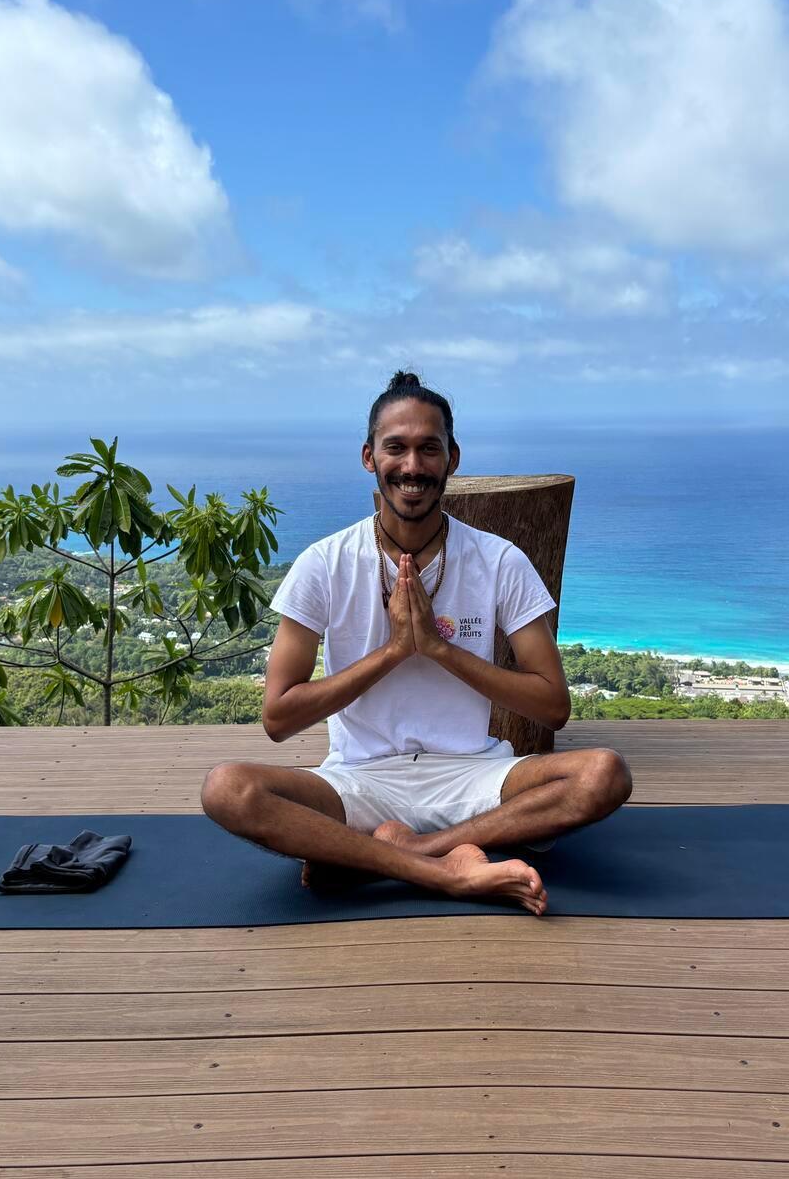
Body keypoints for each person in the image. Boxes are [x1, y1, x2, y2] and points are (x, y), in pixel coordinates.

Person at [200, 371, 632, 914]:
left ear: (452, 457)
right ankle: (449, 871)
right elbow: (278, 719)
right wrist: (394, 651)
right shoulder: (324, 564)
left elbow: (554, 705)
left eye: (429, 449)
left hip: (474, 776)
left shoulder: (499, 560)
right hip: (357, 782)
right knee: (227, 789)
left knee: (603, 773)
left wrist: (439, 649)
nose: (412, 466)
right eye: (396, 448)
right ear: (368, 457)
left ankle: (399, 854)